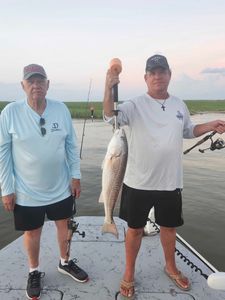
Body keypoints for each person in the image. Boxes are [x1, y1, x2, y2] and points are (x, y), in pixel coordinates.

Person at [103, 54, 225, 298]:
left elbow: (189, 130)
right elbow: (109, 115)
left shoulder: (179, 104)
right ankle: (129, 272)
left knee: (169, 229)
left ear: (169, 75)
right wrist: (108, 86)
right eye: (153, 72)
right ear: (146, 78)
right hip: (137, 182)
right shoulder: (133, 105)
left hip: (170, 182)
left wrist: (210, 125)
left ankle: (170, 267)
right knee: (135, 230)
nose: (158, 76)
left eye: (162, 71)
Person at [0, 64, 88, 300]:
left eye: (41, 81)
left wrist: (75, 176)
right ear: (23, 85)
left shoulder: (61, 109)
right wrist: (7, 189)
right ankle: (34, 270)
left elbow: (71, 145)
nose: (36, 85)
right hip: (26, 191)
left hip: (60, 187)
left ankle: (65, 261)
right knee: (32, 233)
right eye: (31, 81)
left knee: (64, 225)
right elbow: (3, 153)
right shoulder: (10, 112)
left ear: (48, 84)